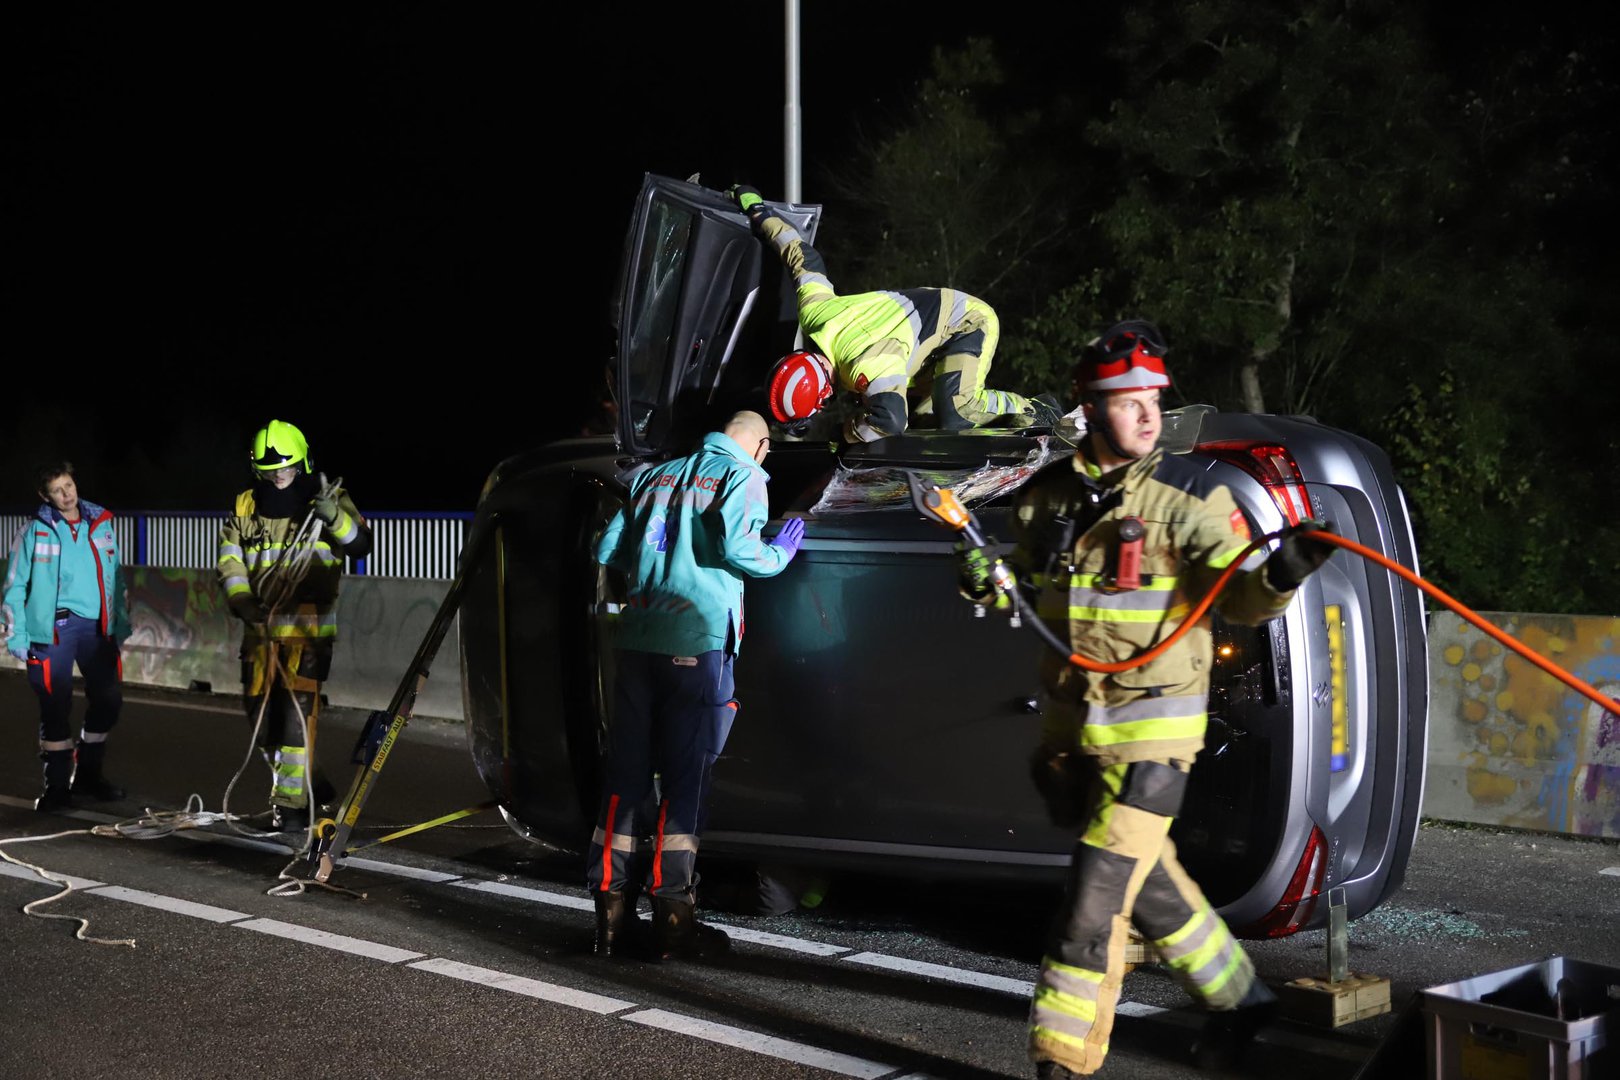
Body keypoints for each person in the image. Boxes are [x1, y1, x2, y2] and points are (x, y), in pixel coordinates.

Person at [958, 320, 1337, 1076]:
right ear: (1091, 410)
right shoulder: (1045, 503)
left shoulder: (1185, 508)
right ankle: (1239, 1000)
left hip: (1155, 737)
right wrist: (986, 577)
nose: (1148, 415)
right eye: (1129, 402)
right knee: (1152, 883)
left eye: (1154, 401)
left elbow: (1240, 597)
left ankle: (1060, 1058)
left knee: (1093, 901)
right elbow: (1029, 589)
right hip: (1075, 733)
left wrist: (1286, 570)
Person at [587, 410, 805, 960]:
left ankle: (610, 917)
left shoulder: (655, 476)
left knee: (626, 778)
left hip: (636, 640)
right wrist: (780, 552)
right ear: (758, 445)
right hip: (695, 641)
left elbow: (608, 550)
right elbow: (739, 548)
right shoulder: (744, 476)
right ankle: (673, 919)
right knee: (685, 781)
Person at [729, 184, 1054, 442]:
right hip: (929, 338)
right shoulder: (817, 314)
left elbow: (891, 421)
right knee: (927, 427)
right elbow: (801, 255)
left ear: (821, 398)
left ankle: (1035, 409)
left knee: (957, 412)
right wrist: (758, 210)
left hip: (965, 322)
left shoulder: (866, 363)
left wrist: (845, 434)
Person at [217, 420, 371, 835]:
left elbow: (360, 543)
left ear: (302, 461)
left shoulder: (328, 497)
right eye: (271, 470)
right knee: (261, 719)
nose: (279, 475)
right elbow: (230, 560)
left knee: (295, 718)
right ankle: (312, 782)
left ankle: (290, 806)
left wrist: (334, 517)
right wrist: (242, 601)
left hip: (307, 630)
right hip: (260, 630)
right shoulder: (246, 505)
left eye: (286, 467)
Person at [3, 461, 131, 811]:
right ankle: (57, 786)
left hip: (96, 629)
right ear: (45, 496)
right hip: (53, 631)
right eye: (57, 490)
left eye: (69, 485)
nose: (67, 494)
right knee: (55, 706)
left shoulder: (101, 525)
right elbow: (14, 585)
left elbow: (116, 577)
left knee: (108, 701)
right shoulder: (34, 531)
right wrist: (17, 635)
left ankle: (89, 775)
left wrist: (121, 622)